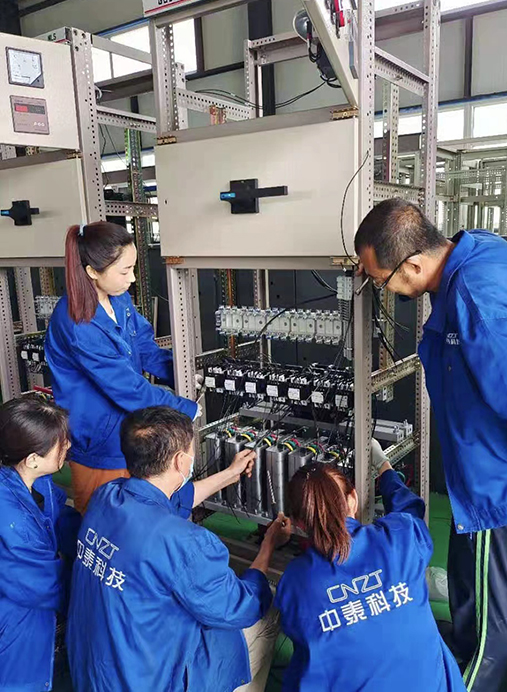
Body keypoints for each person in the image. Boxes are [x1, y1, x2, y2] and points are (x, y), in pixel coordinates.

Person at [354, 198, 507, 692]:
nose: (382, 290)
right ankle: (456, 654)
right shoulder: (478, 251)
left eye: (382, 280)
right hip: (478, 472)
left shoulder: (475, 300)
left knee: (486, 633)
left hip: (491, 482)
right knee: (468, 590)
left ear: (414, 265)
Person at [67, 406, 291, 692]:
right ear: (180, 461)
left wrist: (229, 474)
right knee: (267, 605)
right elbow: (242, 607)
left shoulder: (107, 496)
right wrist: (268, 545)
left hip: (97, 672)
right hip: (150, 682)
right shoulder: (186, 543)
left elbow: (165, 500)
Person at [275, 443, 466, 692]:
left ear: (299, 523)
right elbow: (410, 509)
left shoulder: (294, 582)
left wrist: (268, 546)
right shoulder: (401, 538)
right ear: (353, 500)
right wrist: (383, 465)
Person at [45, 222, 200, 513]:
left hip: (131, 431)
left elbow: (143, 346)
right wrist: (185, 408)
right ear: (92, 271)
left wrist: (181, 373)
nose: (132, 278)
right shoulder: (78, 324)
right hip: (100, 442)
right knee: (105, 519)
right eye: (125, 271)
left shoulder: (119, 298)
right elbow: (126, 387)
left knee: (141, 515)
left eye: (133, 268)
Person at [0, 396, 80, 692]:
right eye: (60, 442)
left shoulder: (36, 481)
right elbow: (47, 586)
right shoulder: (13, 522)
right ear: (33, 458)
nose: (68, 445)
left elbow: (60, 519)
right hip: (16, 624)